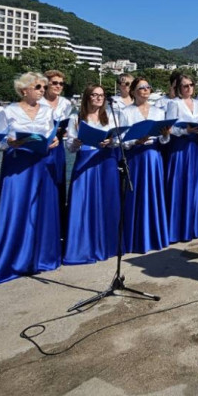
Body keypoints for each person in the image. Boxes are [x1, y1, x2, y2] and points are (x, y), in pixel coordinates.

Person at [0, 72, 62, 283]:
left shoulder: (48, 110)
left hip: (40, 163)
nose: (43, 90)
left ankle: (42, 258)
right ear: (24, 90)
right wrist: (11, 143)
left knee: (42, 210)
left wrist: (54, 141)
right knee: (16, 209)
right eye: (39, 87)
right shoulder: (7, 111)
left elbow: (51, 134)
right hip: (17, 165)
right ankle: (13, 260)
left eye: (43, 87)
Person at [63, 84, 120, 264]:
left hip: (106, 162)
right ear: (87, 97)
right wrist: (77, 142)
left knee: (106, 202)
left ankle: (108, 245)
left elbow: (118, 140)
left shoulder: (110, 116)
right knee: (83, 203)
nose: (98, 98)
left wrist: (111, 141)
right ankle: (83, 247)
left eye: (101, 95)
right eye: (94, 95)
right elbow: (70, 147)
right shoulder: (76, 118)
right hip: (85, 161)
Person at [119, 77, 173, 253]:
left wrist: (166, 134)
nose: (145, 90)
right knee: (137, 196)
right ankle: (136, 238)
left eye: (148, 87)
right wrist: (136, 141)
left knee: (155, 195)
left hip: (154, 157)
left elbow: (164, 141)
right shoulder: (126, 112)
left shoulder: (158, 111)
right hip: (136, 157)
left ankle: (155, 235)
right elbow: (122, 141)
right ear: (133, 91)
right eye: (141, 88)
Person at [166, 74, 198, 242]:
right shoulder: (174, 104)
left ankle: (195, 225)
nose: (189, 88)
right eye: (185, 86)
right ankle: (178, 229)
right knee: (180, 185)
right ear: (179, 88)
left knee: (195, 186)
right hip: (180, 148)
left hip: (196, 147)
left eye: (191, 85)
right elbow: (169, 129)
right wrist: (186, 131)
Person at [41, 70, 74, 233]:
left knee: (59, 183)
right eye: (54, 83)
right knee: (43, 186)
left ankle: (58, 226)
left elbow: (67, 128)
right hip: (41, 149)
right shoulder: (38, 102)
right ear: (46, 84)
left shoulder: (66, 104)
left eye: (61, 83)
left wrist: (65, 132)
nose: (58, 86)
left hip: (58, 148)